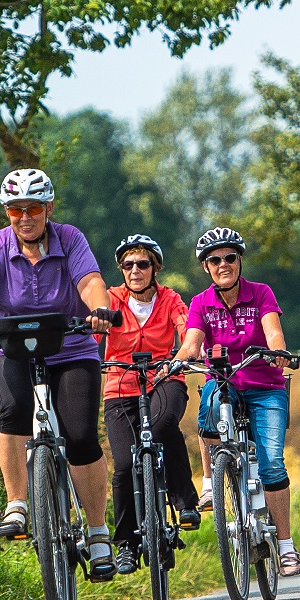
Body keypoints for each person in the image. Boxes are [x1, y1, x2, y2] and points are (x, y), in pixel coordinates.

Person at [0, 168, 118, 581]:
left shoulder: (70, 238)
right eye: (15, 209)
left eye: (33, 208)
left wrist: (98, 311)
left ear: (49, 208)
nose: (24, 217)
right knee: (16, 408)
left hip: (71, 348)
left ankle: (97, 535)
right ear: (7, 212)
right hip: (9, 350)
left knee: (79, 436)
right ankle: (18, 504)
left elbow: (92, 282)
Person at [175, 226, 300, 577]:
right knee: (208, 410)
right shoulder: (202, 302)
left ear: (239, 260)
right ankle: (219, 477)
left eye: (229, 257)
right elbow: (192, 341)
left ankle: (287, 547)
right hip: (225, 384)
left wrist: (277, 350)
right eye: (214, 260)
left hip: (265, 387)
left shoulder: (261, 293)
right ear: (206, 267)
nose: (223, 264)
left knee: (272, 464)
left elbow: (273, 329)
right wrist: (180, 358)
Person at [99, 232, 202, 575]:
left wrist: (187, 351)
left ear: (154, 268)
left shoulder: (170, 299)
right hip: (119, 385)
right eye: (128, 265)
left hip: (163, 379)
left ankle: (185, 501)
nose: (135, 270)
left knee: (162, 426)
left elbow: (187, 328)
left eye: (142, 264)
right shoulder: (111, 299)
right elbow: (94, 329)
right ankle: (126, 543)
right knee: (126, 466)